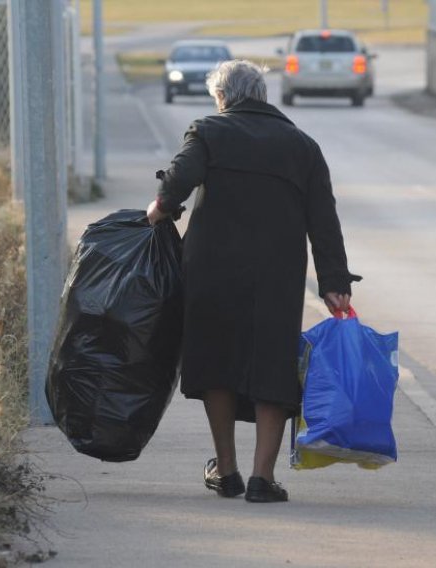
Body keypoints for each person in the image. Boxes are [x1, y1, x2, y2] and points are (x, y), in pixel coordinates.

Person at [147, 60, 359, 503]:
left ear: (223, 97)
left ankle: (226, 472)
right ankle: (263, 478)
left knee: (216, 361)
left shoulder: (208, 130)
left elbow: (177, 183)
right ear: (261, 95)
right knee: (272, 364)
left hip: (211, 268)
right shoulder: (302, 146)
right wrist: (334, 282)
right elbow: (324, 219)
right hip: (276, 272)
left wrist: (159, 208)